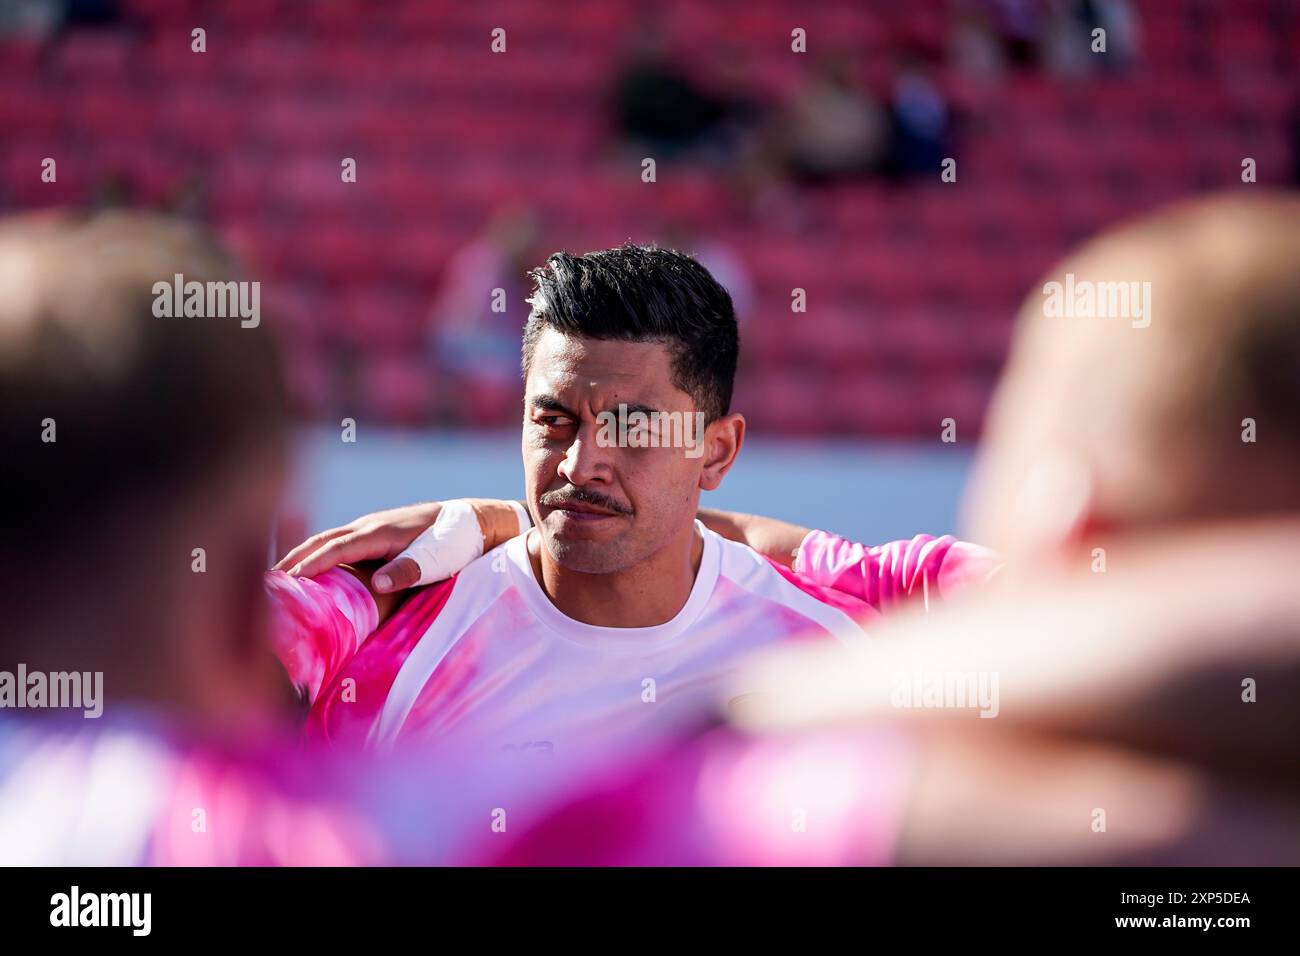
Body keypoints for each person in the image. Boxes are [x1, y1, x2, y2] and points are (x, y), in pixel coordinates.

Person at [265, 246, 1000, 757]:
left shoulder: (843, 651)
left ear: (716, 451)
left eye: (632, 428)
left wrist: (512, 518)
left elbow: (1080, 597)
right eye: (553, 422)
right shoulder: (378, 626)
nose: (583, 464)